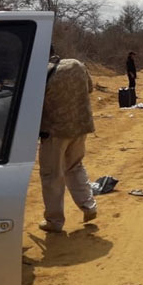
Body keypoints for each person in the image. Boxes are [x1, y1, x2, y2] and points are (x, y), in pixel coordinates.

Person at [37, 49, 98, 232]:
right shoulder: (77, 65)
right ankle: (89, 206)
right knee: (75, 166)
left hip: (54, 131)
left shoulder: (40, 73)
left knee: (52, 175)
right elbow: (89, 88)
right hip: (80, 126)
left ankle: (54, 221)